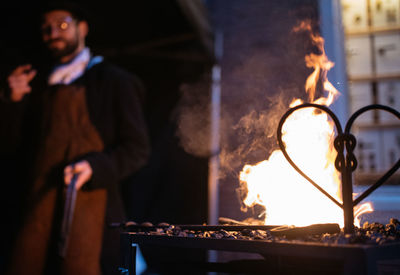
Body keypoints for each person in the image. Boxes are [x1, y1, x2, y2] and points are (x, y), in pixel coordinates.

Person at [0, 2, 150, 275]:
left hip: (92, 208)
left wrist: (96, 166)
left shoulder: (115, 81)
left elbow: (137, 149)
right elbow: (12, 148)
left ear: (83, 28)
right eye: (46, 28)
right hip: (37, 208)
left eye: (62, 25)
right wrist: (13, 103)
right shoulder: (36, 84)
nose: (53, 33)